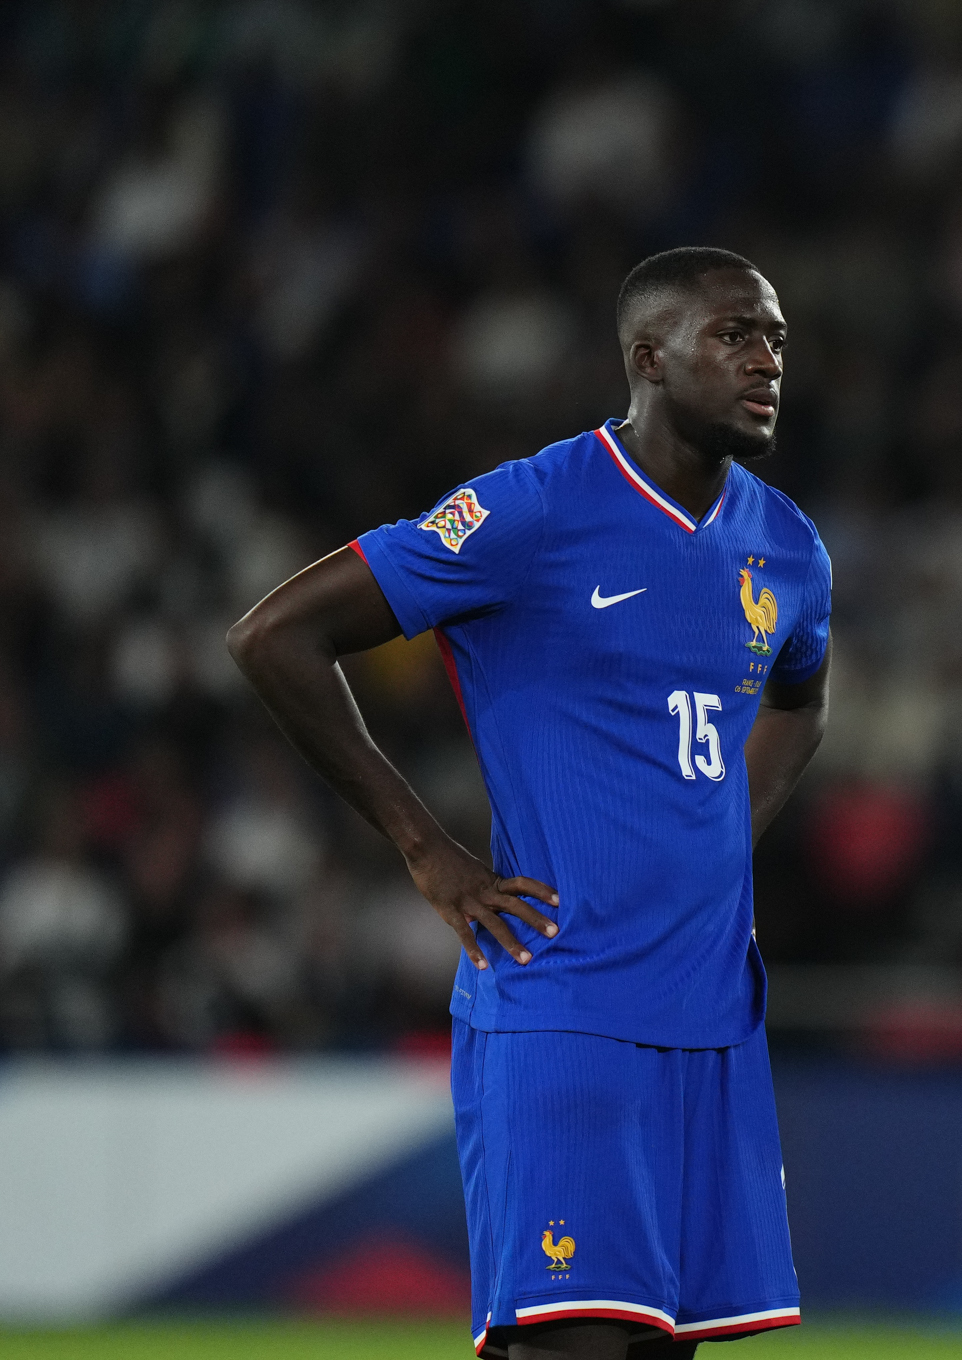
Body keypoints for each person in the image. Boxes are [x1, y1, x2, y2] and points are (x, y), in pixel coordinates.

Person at [227, 247, 829, 1360]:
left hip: (711, 1020)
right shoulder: (538, 507)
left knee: (653, 1350)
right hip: (564, 1004)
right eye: (735, 335)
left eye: (776, 339)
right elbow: (275, 637)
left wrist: (719, 831)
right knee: (569, 1347)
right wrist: (425, 847)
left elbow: (802, 705)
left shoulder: (787, 546)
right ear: (648, 357)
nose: (766, 361)